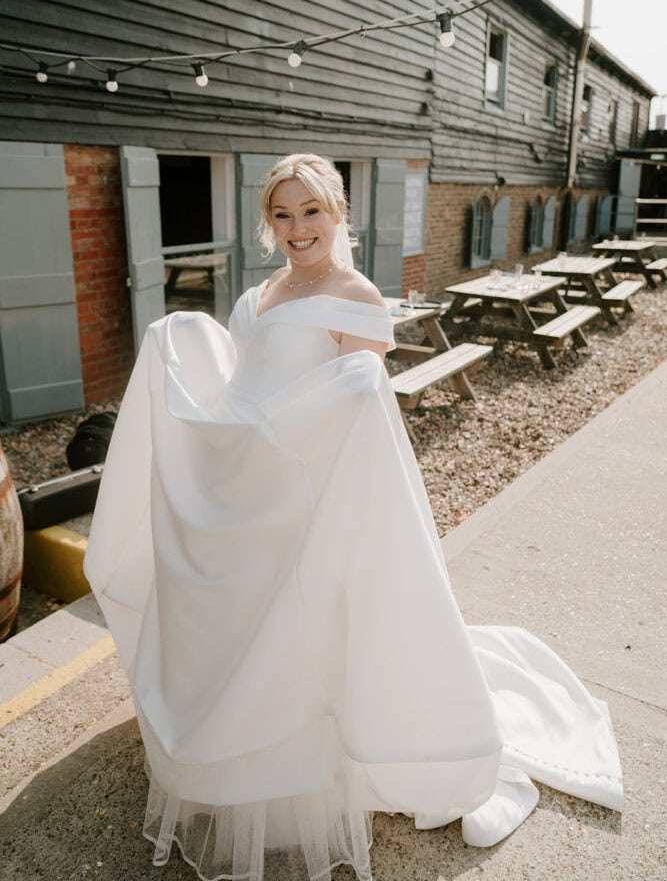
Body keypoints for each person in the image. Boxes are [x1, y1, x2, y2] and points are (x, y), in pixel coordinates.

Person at [84, 154, 622, 881]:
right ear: (268, 222)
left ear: (338, 213)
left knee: (295, 627)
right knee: (223, 618)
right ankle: (222, 737)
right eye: (283, 213)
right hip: (241, 474)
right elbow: (247, 381)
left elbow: (359, 412)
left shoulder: (356, 293)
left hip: (303, 491)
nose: (298, 227)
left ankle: (303, 755)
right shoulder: (266, 287)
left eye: (312, 211)